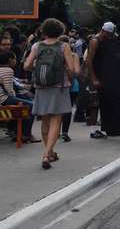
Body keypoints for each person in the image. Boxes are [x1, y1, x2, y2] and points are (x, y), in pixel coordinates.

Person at [23, 18, 80, 169]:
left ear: (44, 31)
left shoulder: (36, 45)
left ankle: (50, 152)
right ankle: (46, 155)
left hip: (41, 87)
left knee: (45, 120)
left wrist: (37, 70)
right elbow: (71, 69)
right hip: (59, 87)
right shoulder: (64, 46)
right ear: (60, 31)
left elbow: (27, 65)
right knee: (56, 121)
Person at [84, 22, 116, 139]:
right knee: (94, 103)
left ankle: (104, 127)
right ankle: (94, 130)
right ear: (104, 31)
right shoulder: (95, 41)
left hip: (102, 76)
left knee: (103, 102)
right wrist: (94, 78)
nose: (109, 36)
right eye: (108, 34)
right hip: (95, 76)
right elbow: (89, 60)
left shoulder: (104, 40)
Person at [0, 50, 37, 143]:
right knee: (31, 105)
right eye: (14, 59)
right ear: (10, 60)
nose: (15, 61)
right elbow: (9, 89)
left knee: (23, 102)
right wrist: (15, 99)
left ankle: (16, 132)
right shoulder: (8, 70)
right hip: (4, 99)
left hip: (2, 98)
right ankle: (26, 135)